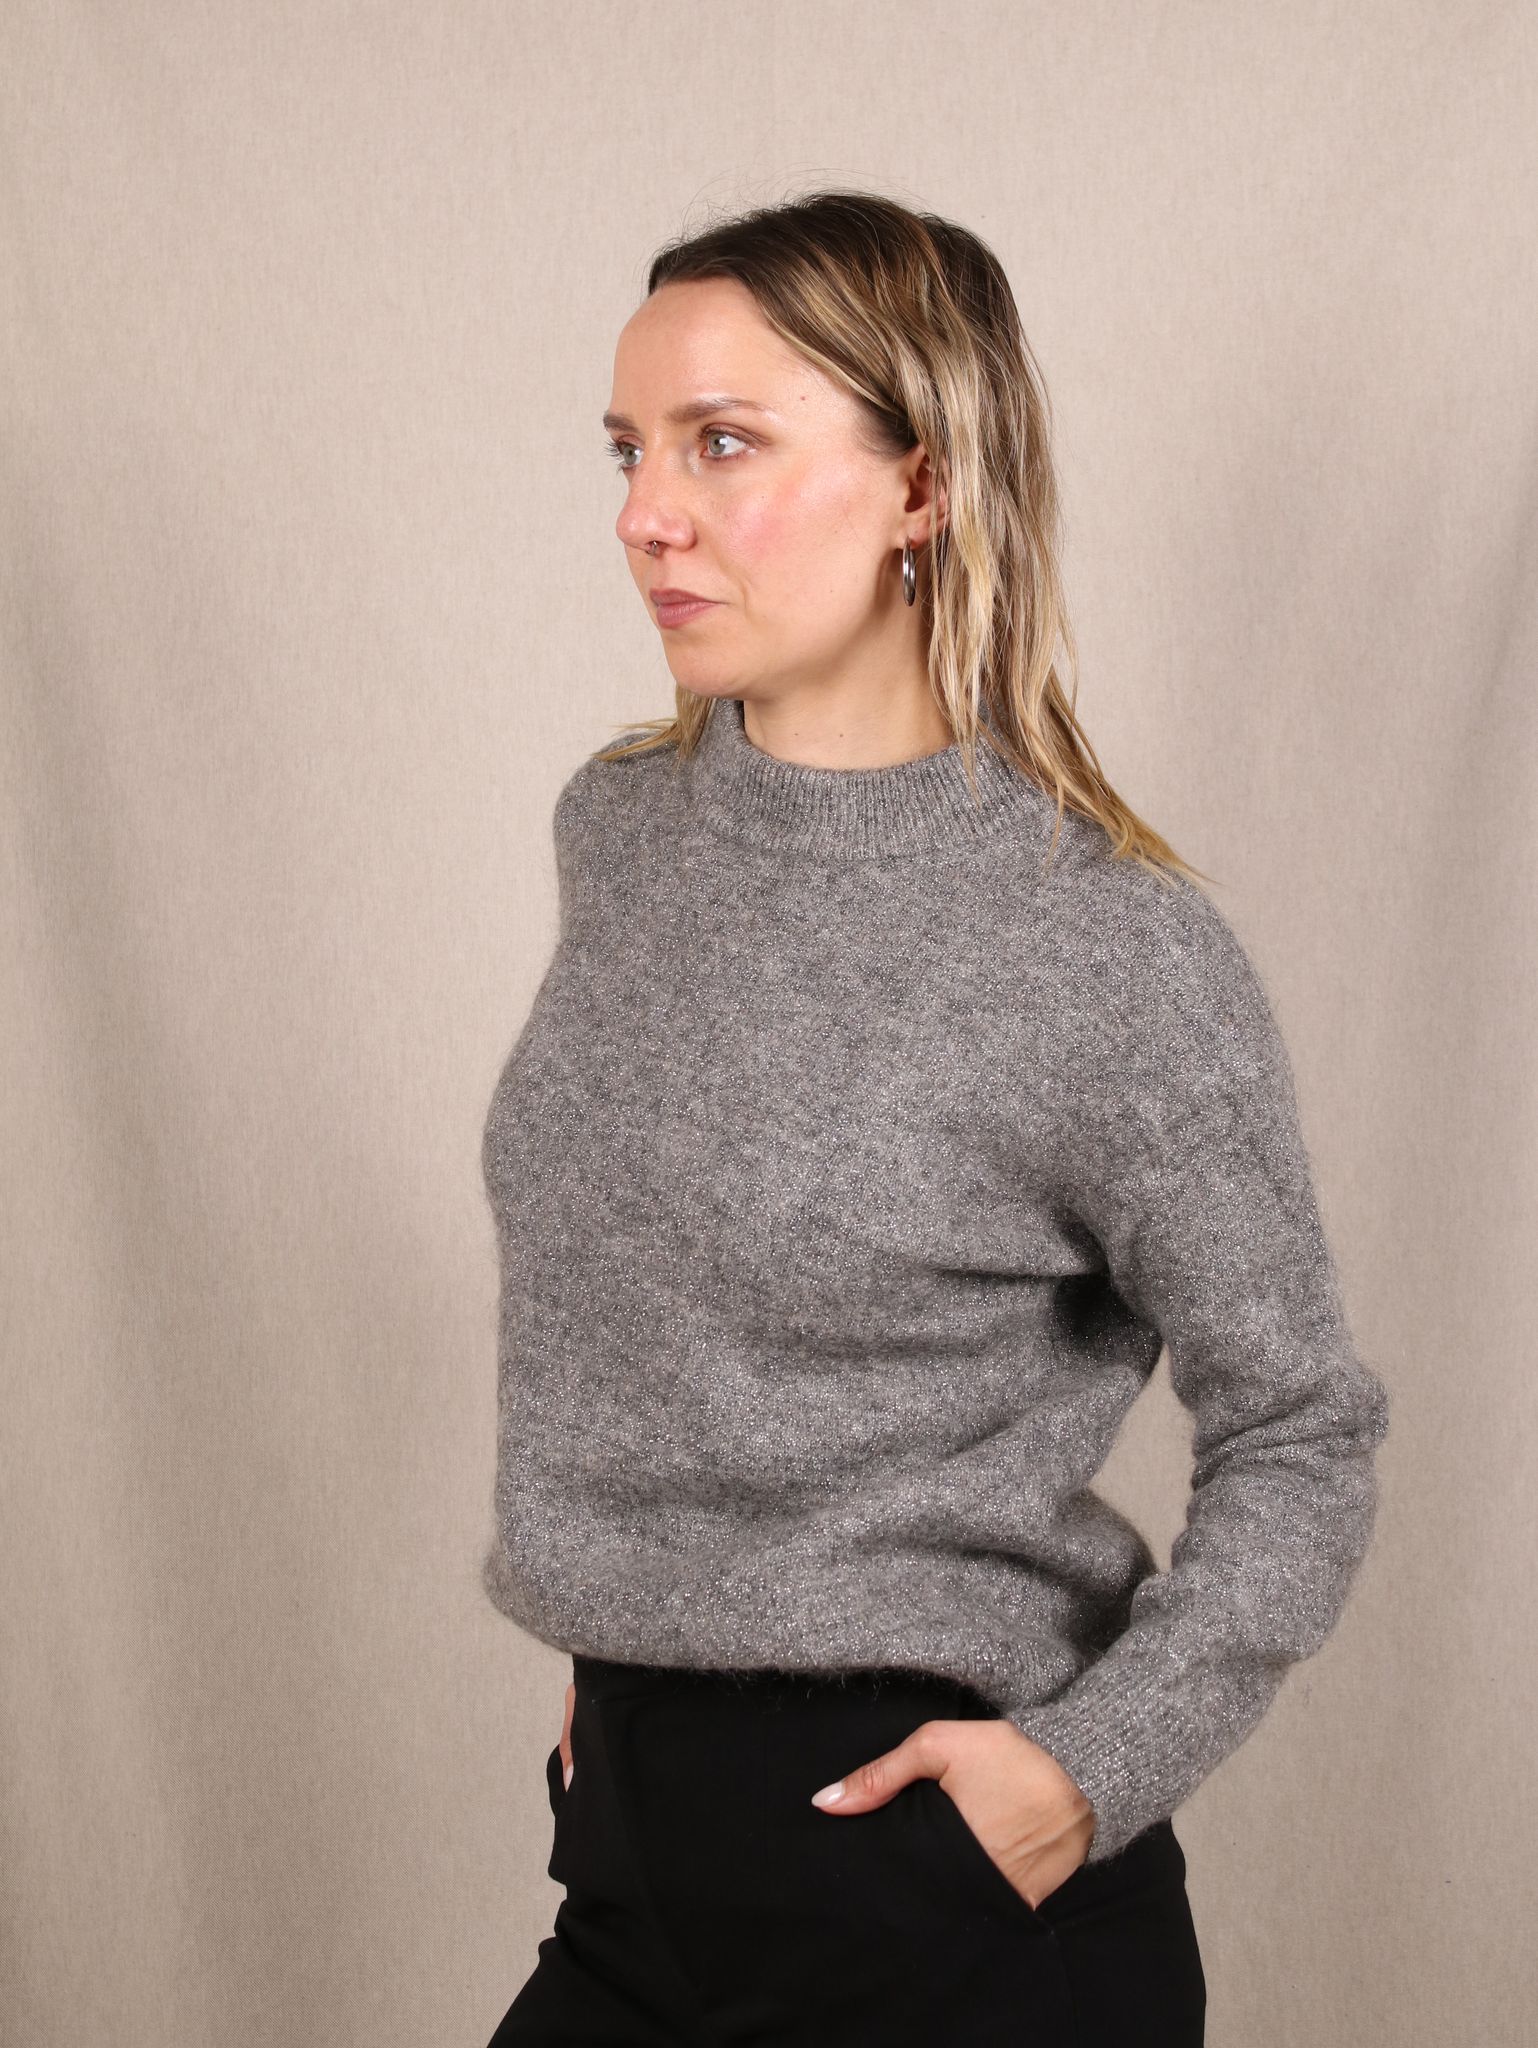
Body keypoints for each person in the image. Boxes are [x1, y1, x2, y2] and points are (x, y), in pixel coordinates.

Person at [479, 189, 1390, 2047]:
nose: (647, 513)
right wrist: (645, 1652)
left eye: (722, 443)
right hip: (633, 1852)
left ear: (923, 481)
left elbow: (1301, 1424)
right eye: (630, 450)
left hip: (939, 1893)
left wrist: (1088, 1770)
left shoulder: (1105, 946)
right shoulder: (623, 831)